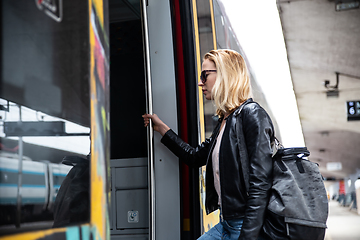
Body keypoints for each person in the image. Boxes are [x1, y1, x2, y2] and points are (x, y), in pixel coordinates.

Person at [143, 49, 274, 240]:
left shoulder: (251, 114)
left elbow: (261, 183)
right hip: (226, 223)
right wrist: (163, 129)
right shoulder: (225, 121)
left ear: (225, 75)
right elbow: (195, 156)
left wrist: (249, 235)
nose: (200, 82)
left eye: (205, 75)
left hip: (244, 225)